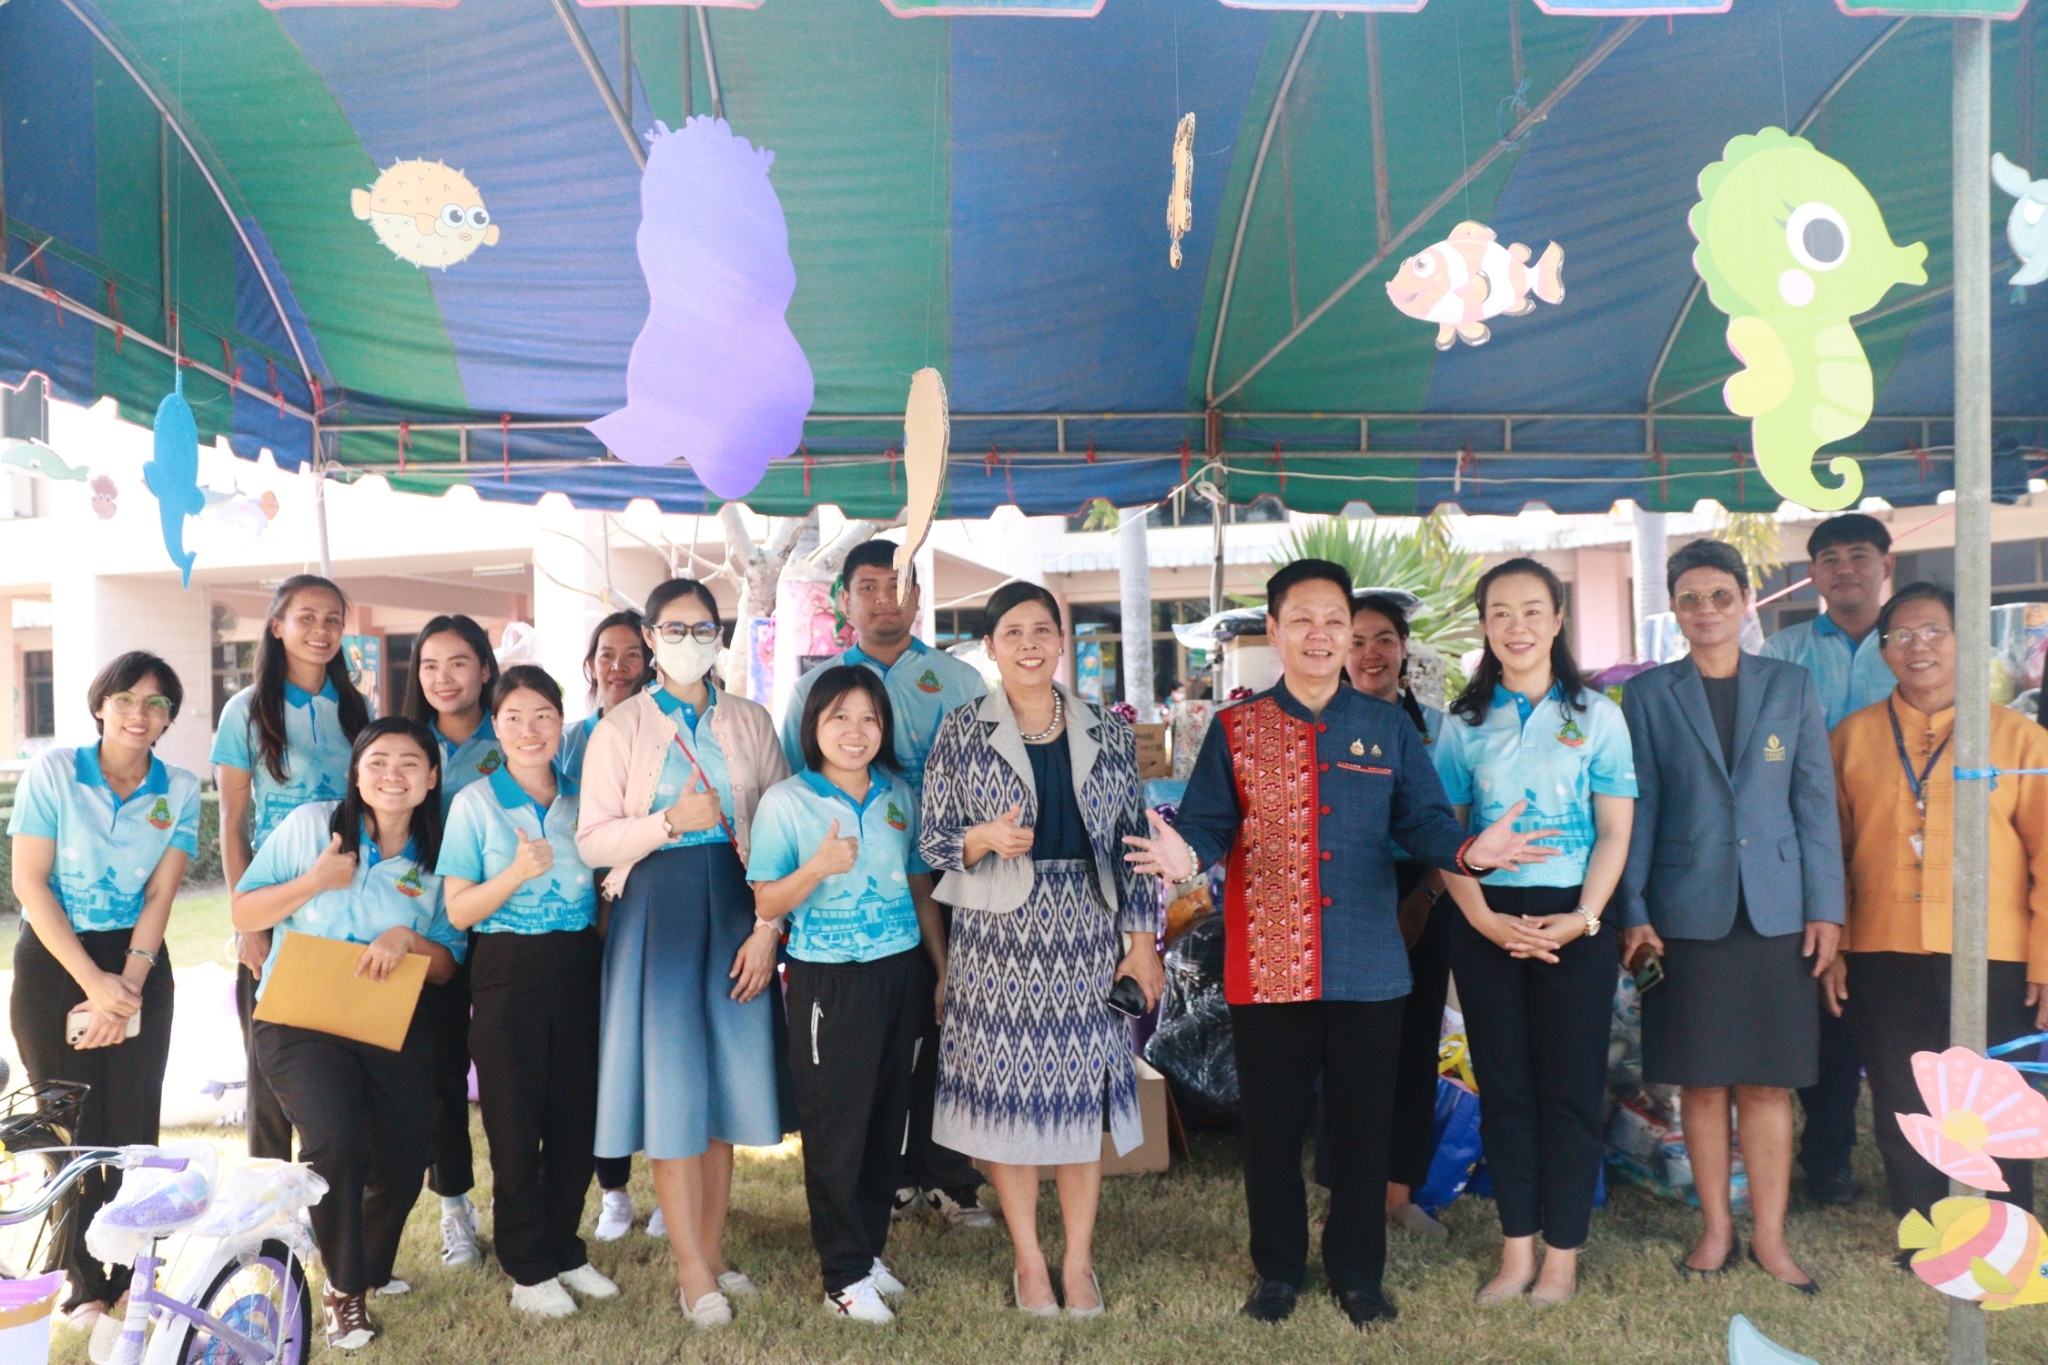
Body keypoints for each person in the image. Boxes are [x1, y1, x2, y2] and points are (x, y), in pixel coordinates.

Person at [1125, 559, 1558, 1330]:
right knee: (1271, 1130)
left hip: (1367, 963)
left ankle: (1358, 1273)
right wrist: (1182, 853)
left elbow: (1423, 822)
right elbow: (1207, 825)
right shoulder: (1237, 728)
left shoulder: (1387, 728)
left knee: (1362, 1128)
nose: (1320, 634)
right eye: (1303, 619)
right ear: (1275, 630)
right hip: (1268, 961)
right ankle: (1277, 1270)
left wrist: (1470, 851)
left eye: (1334, 620)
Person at [918, 582, 1163, 1318]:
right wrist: (981, 838)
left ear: (1061, 641)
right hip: (996, 938)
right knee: (1006, 1104)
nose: (1029, 644)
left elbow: (1136, 847)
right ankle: (1030, 1260)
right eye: (1013, 632)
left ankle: (1077, 1262)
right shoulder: (961, 730)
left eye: (1042, 630)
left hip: (1088, 932)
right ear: (989, 648)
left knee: (1078, 1103)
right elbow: (930, 843)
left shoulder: (1107, 730)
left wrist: (1142, 945)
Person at [1618, 539, 1842, 1294]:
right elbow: (1640, 808)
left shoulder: (1791, 684)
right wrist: (1633, 910)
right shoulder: (1649, 695)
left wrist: (1827, 908)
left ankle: (1771, 1238)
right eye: (1690, 598)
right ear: (1674, 609)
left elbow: (1814, 802)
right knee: (1703, 1083)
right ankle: (1716, 1230)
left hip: (1778, 911)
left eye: (1720, 594)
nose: (1706, 609)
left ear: (1746, 601)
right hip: (1686, 913)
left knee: (1769, 1085)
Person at [575, 578, 790, 1327]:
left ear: (719, 636)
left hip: (738, 908)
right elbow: (593, 841)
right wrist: (668, 822)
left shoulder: (751, 720)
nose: (689, 641)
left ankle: (713, 1248)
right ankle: (690, 1268)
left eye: (703, 629)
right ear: (650, 635)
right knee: (673, 1086)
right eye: (674, 628)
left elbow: (783, 825)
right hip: (656, 914)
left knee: (726, 1085)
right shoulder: (620, 727)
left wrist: (768, 928)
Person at [1430, 557, 1635, 1308]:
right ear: (1485, 626)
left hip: (1575, 919)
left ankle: (1562, 1256)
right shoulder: (1463, 723)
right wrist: (1484, 920)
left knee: (1571, 1093)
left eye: (1531, 610)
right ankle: (1517, 1249)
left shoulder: (1599, 717)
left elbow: (1615, 831)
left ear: (1557, 620)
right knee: (1506, 1089)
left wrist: (1585, 918)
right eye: (1500, 613)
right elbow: (1444, 835)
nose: (1516, 626)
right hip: (1486, 920)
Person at [232, 717, 469, 1351]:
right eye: (377, 761)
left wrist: (408, 938)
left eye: (410, 763)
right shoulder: (312, 826)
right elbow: (243, 909)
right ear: (356, 773)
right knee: (335, 1141)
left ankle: (362, 1263)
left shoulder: (440, 853)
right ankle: (344, 1290)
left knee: (407, 1156)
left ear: (432, 777)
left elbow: (447, 964)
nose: (393, 775)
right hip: (298, 1019)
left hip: (384, 1019)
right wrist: (315, 880)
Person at [781, 538, 993, 1228]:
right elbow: (793, 784)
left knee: (950, 1025)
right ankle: (890, 1174)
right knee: (875, 1039)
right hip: (852, 883)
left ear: (918, 598)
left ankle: (948, 1172)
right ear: (844, 601)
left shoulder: (959, 681)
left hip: (957, 877)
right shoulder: (818, 686)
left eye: (896, 586)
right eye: (867, 587)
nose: (883, 600)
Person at [1824, 582, 2048, 1225]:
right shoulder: (1852, 738)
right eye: (1900, 636)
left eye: (1933, 633)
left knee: (1997, 1097)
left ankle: (2003, 1232)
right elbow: (1831, 853)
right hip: (1882, 946)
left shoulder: (2020, 739)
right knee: (1902, 1095)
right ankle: (1925, 1230)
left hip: (1996, 950)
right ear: (1884, 652)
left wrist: (2043, 957)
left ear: (1963, 641)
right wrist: (1837, 944)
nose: (1917, 647)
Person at [8, 653, 198, 1330]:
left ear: (169, 717)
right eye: (125, 699)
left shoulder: (180, 787)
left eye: (156, 703)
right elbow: (30, 881)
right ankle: (83, 1284)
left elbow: (161, 893)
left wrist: (129, 987)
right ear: (100, 705)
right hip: (56, 960)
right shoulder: (54, 772)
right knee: (70, 1131)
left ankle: (131, 1275)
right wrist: (96, 984)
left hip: (137, 961)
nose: (139, 714)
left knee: (132, 1128)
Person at [750, 667, 945, 1323]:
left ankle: (867, 1252)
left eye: (869, 718)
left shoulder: (898, 794)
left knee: (886, 1124)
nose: (855, 731)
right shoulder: (787, 802)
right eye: (839, 717)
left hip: (900, 972)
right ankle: (842, 1277)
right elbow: (767, 902)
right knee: (837, 1128)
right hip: (828, 982)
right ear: (815, 726)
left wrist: (940, 968)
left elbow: (920, 888)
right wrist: (816, 867)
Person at [439, 666, 619, 1318]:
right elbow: (459, 910)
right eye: (513, 717)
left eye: (543, 715)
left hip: (578, 964)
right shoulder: (475, 803)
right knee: (515, 1122)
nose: (529, 729)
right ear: (496, 725)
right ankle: (525, 1264)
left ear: (561, 723)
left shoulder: (584, 798)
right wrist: (516, 872)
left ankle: (564, 1247)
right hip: (506, 968)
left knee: (576, 1117)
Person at [1759, 512, 1896, 1205]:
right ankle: (1828, 1157)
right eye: (1831, 559)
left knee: (1897, 1008)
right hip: (1809, 853)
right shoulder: (1782, 654)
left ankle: (1919, 1155)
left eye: (1859, 555)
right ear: (1812, 574)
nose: (1846, 569)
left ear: (1887, 565)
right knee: (1827, 1005)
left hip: (1896, 849)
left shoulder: (1913, 642)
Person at [212, 575, 370, 1164]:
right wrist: (247, 923)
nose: (320, 630)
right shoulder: (245, 710)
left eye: (333, 619)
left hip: (348, 897)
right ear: (277, 626)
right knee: (270, 1069)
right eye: (306, 617)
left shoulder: (356, 707)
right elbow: (232, 822)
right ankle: (272, 1201)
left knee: (343, 1050)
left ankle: (339, 1184)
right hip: (275, 902)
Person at [1344, 591, 1452, 1242]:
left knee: (1413, 1043)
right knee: (1344, 1048)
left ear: (1404, 648)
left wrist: (1425, 898)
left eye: (1383, 639)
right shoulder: (1319, 723)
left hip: (1423, 890)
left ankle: (1399, 1194)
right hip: (1343, 890)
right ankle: (1350, 1193)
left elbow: (1457, 822)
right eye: (1356, 640)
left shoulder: (1438, 728)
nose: (1370, 653)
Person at [555, 611, 665, 1243]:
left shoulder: (665, 728)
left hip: (646, 902)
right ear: (590, 663)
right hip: (579, 910)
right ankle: (614, 1191)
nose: (618, 666)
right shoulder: (570, 739)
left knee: (658, 1047)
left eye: (631, 654)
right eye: (606, 653)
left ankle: (671, 1182)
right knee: (600, 1054)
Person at [403, 613, 504, 1268]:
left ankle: (521, 1197)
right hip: (429, 931)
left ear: (485, 669)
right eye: (430, 665)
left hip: (501, 927)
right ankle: (455, 1208)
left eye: (459, 662)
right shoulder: (405, 741)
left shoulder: (513, 732)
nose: (444, 678)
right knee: (439, 1073)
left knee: (506, 1072)